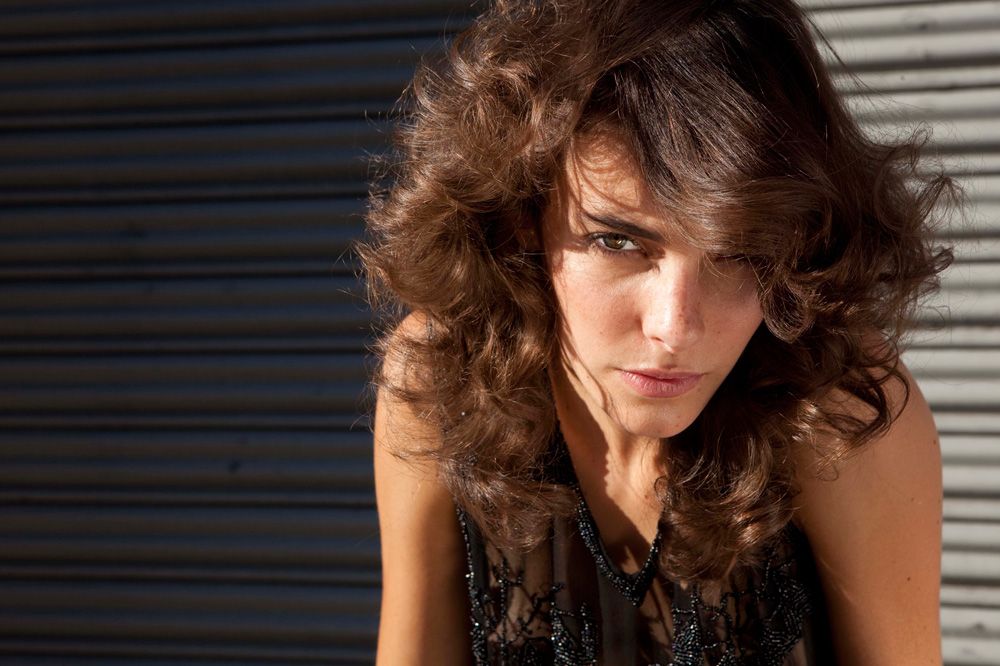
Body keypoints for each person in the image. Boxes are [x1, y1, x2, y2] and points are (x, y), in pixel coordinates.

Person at [362, 0, 956, 663]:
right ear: (526, 212)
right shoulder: (443, 378)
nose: (675, 327)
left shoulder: (840, 413)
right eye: (618, 241)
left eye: (737, 253)